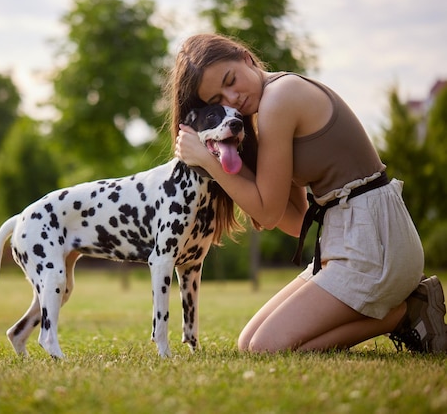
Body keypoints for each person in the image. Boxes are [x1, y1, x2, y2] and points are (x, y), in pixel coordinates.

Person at [171, 33, 447, 353]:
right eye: (219, 99)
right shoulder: (266, 112)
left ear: (246, 58)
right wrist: (222, 156)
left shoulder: (280, 97)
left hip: (375, 243)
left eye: (231, 80)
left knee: (266, 348)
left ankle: (405, 313)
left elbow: (268, 211)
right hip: (349, 239)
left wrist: (210, 163)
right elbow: (295, 222)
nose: (232, 98)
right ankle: (403, 311)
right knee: (249, 342)